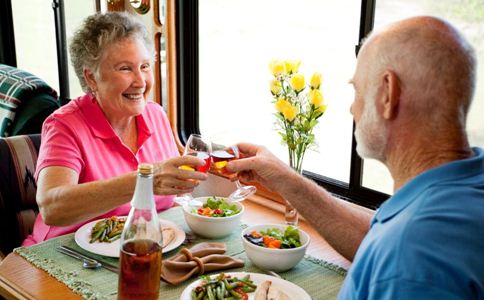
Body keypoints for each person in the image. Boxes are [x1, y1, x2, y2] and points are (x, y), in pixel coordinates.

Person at [228, 16, 484, 298]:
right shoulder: (457, 193)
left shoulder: (411, 257)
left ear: (388, 93)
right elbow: (376, 239)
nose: (353, 108)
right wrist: (286, 179)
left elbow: (400, 255)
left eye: (358, 90)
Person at [23, 12, 207, 246]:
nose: (140, 81)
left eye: (145, 66)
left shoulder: (156, 115)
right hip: (66, 254)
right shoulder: (64, 125)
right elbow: (52, 207)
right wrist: (145, 180)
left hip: (137, 248)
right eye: (125, 68)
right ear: (91, 77)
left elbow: (172, 196)